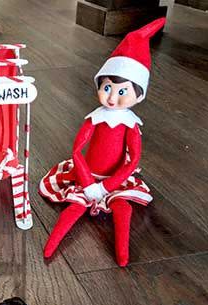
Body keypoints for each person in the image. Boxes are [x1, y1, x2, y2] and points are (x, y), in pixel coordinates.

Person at [39, 18, 166, 266]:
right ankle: (50, 246)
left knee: (123, 208)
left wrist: (107, 187)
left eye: (122, 92)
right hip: (86, 174)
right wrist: (87, 184)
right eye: (106, 87)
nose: (111, 97)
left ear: (139, 95)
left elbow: (133, 160)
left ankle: (123, 253)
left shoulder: (131, 125)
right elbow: (77, 151)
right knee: (74, 208)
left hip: (114, 178)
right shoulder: (94, 119)